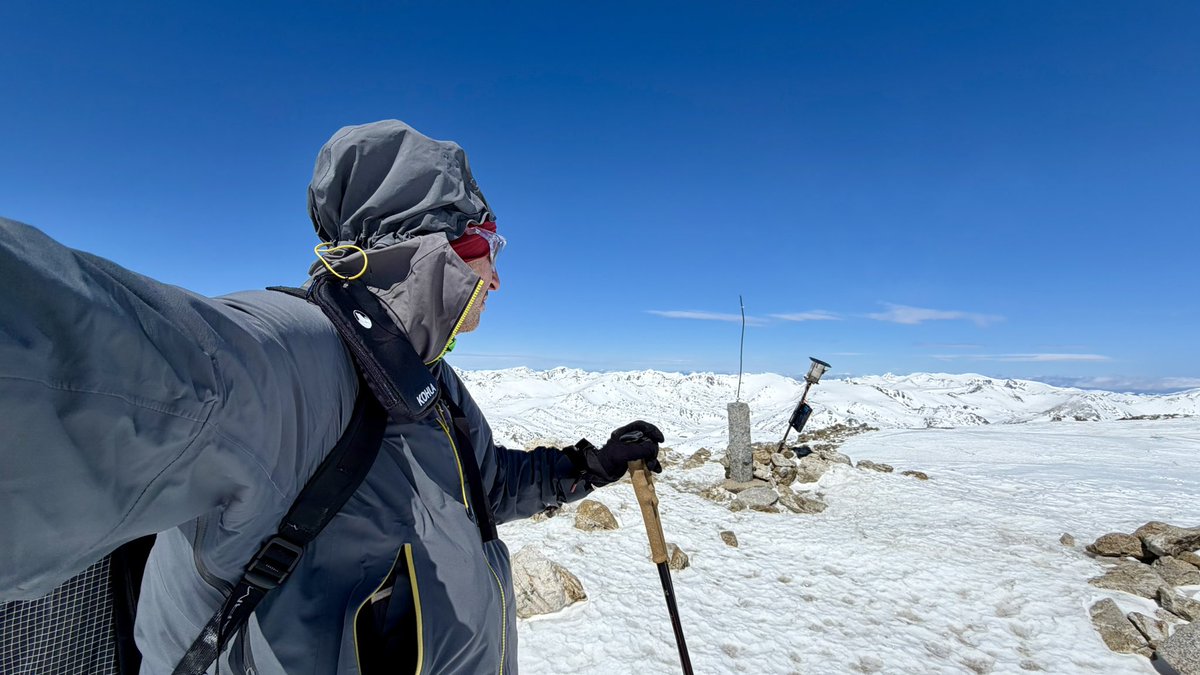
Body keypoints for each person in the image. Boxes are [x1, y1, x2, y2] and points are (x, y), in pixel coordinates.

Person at [0, 119, 664, 674]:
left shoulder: (427, 382)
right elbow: (77, 354)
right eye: (488, 245)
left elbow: (485, 487)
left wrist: (592, 463)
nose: (497, 277)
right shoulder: (292, 360)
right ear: (434, 248)